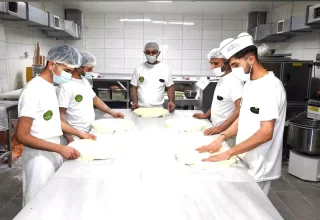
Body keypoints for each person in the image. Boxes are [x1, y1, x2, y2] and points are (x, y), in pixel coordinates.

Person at [197, 33, 287, 195]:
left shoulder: (270, 87)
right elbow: (243, 117)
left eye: (236, 64)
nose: (234, 70)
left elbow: (266, 133)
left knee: (252, 211)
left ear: (251, 59)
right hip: (244, 157)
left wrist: (229, 152)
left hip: (260, 164)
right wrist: (222, 137)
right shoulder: (250, 84)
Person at [16, 45, 94, 206]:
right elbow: (22, 135)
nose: (70, 75)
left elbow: (53, 120)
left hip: (52, 150)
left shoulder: (49, 87)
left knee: (50, 200)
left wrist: (81, 134)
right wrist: (60, 148)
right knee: (36, 204)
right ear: (52, 64)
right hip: (38, 158)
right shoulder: (32, 90)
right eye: (67, 70)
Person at [57, 51, 124, 144]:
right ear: (78, 67)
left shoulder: (85, 82)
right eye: (89, 69)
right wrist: (69, 138)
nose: (92, 72)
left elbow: (95, 100)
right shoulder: (65, 86)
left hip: (89, 131)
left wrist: (112, 113)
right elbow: (60, 116)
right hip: (75, 135)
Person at [193, 47, 243, 147]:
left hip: (227, 133)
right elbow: (219, 101)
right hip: (216, 129)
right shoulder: (222, 78)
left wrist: (220, 128)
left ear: (227, 62)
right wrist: (206, 114)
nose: (212, 67)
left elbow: (240, 109)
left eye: (215, 63)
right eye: (211, 63)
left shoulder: (234, 81)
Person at [130, 42, 175, 112]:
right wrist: (135, 102)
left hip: (158, 108)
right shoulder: (139, 68)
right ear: (144, 53)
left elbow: (170, 87)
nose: (150, 54)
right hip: (140, 108)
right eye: (148, 52)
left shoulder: (165, 68)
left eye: (153, 52)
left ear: (158, 53)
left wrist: (171, 101)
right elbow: (133, 88)